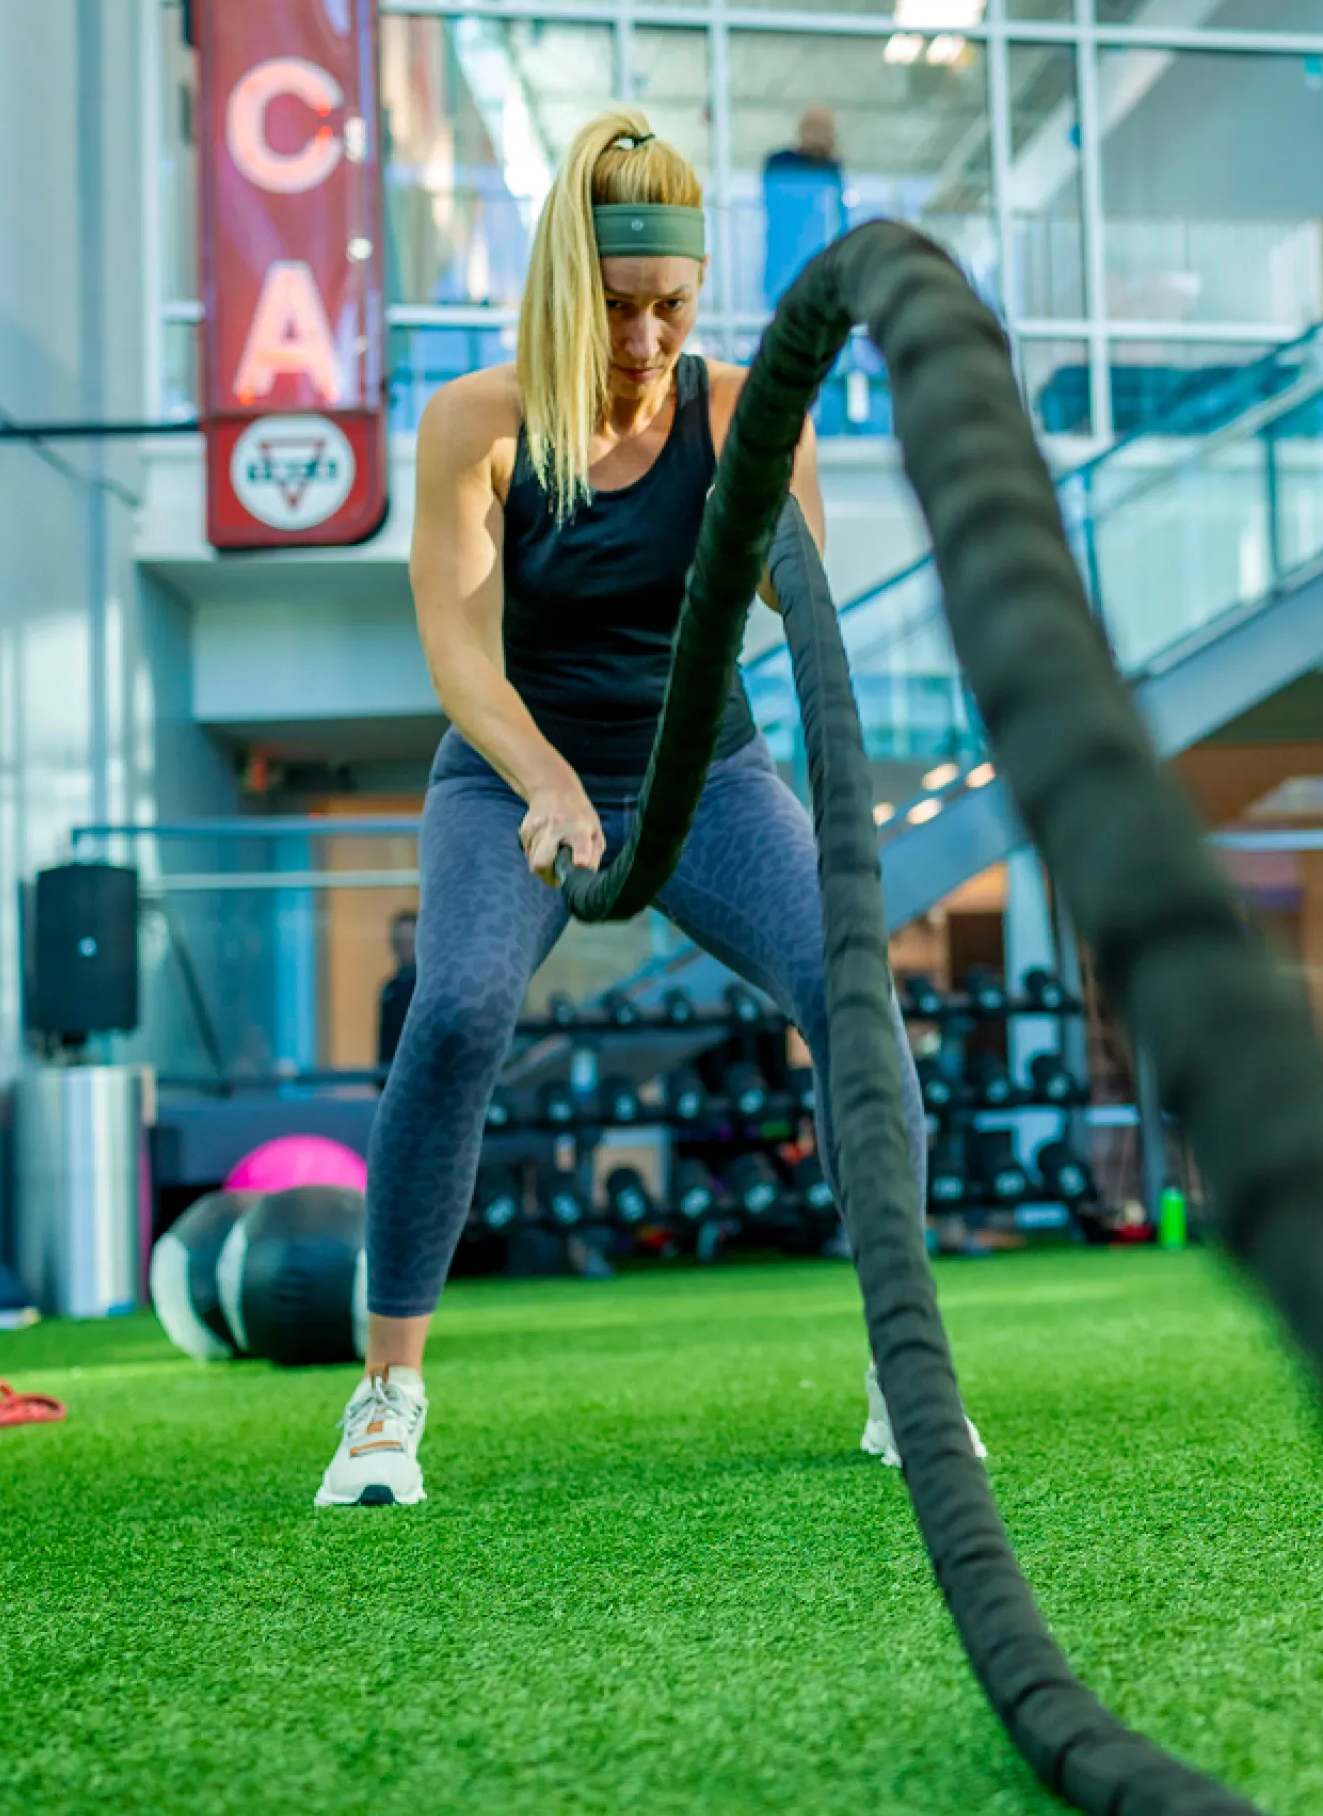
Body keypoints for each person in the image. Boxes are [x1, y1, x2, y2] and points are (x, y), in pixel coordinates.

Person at [321, 105, 965, 1508]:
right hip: (511, 768)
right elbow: (456, 651)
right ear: (568, 284)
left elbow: (784, 593)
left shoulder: (742, 412)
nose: (649, 338)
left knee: (852, 993)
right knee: (460, 1009)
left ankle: (905, 1369)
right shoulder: (476, 425)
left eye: (675, 306)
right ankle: (386, 1393)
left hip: (707, 768)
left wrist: (773, 533)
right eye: (623, 307)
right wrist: (547, 778)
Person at [760, 104, 848, 309]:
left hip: (817, 258)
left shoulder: (831, 169)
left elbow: (839, 218)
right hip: (786, 259)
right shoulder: (780, 162)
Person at [374, 909, 417, 1071]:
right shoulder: (389, 988)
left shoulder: (427, 990)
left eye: (409, 941)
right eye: (399, 940)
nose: (403, 947)